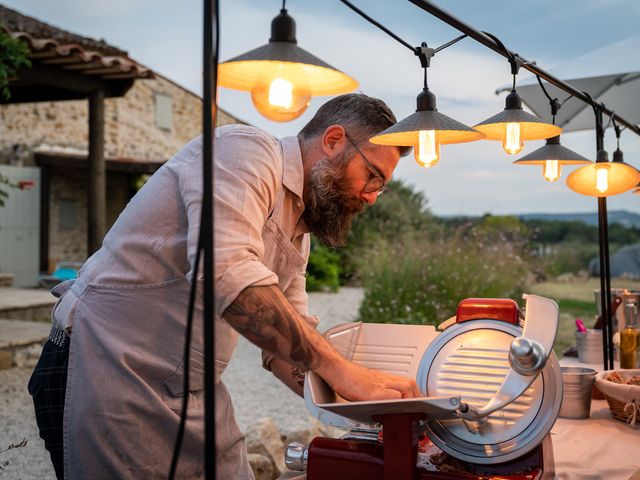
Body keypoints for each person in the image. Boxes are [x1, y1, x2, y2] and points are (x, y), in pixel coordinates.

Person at [28, 93, 419, 479]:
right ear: (334, 140)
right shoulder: (245, 152)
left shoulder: (299, 231)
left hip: (192, 391)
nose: (372, 197)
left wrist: (360, 400)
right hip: (105, 367)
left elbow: (287, 348)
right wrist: (343, 371)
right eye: (373, 176)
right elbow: (224, 270)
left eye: (380, 186)